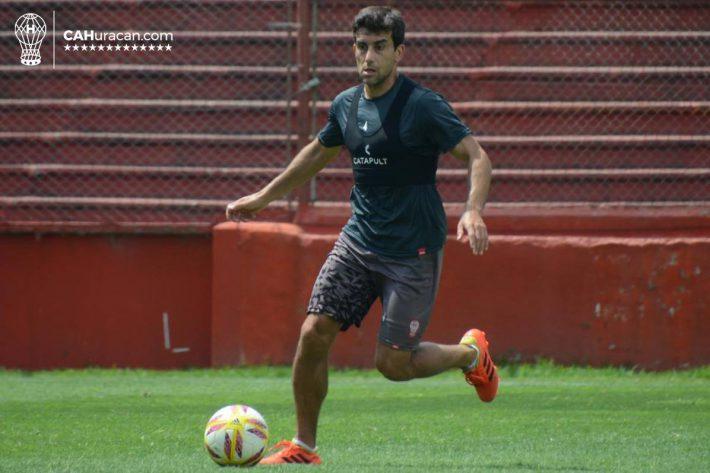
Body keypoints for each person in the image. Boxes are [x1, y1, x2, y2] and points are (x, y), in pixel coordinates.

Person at [226, 6, 497, 466]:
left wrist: (472, 211)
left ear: (398, 52)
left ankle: (469, 355)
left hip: (412, 251)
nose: (368, 56)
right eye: (361, 47)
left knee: (393, 365)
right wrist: (264, 196)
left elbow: (477, 157)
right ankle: (304, 448)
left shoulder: (421, 106)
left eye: (378, 47)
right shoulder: (346, 105)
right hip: (358, 242)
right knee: (313, 332)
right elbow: (316, 154)